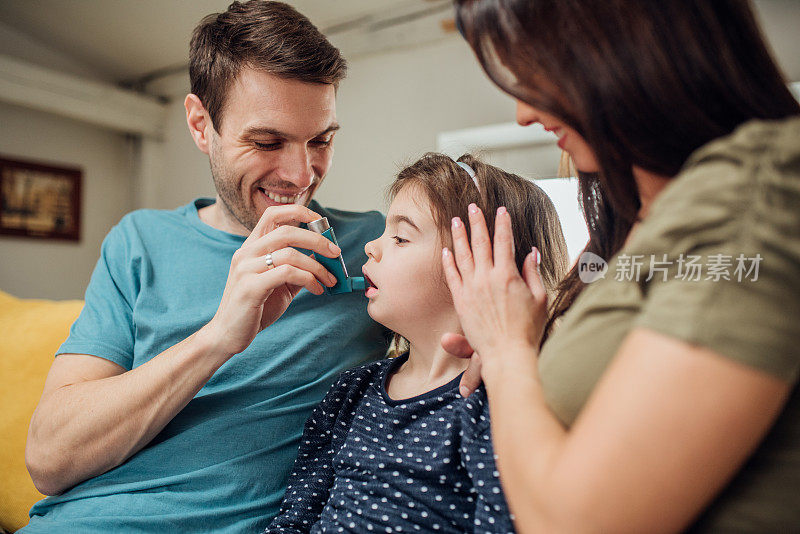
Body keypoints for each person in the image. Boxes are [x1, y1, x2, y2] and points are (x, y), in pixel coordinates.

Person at [21, 2, 389, 532]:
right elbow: (49, 460)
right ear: (200, 124)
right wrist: (219, 336)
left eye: (321, 140)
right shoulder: (139, 241)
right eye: (267, 142)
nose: (300, 173)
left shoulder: (376, 245)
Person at [441, 1, 800, 532]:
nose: (522, 113)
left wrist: (504, 351)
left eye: (534, 68)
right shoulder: (635, 217)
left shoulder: (754, 192)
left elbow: (573, 521)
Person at [264, 153, 569, 533]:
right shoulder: (351, 393)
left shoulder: (497, 406)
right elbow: (296, 517)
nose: (372, 248)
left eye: (400, 237)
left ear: (483, 273)